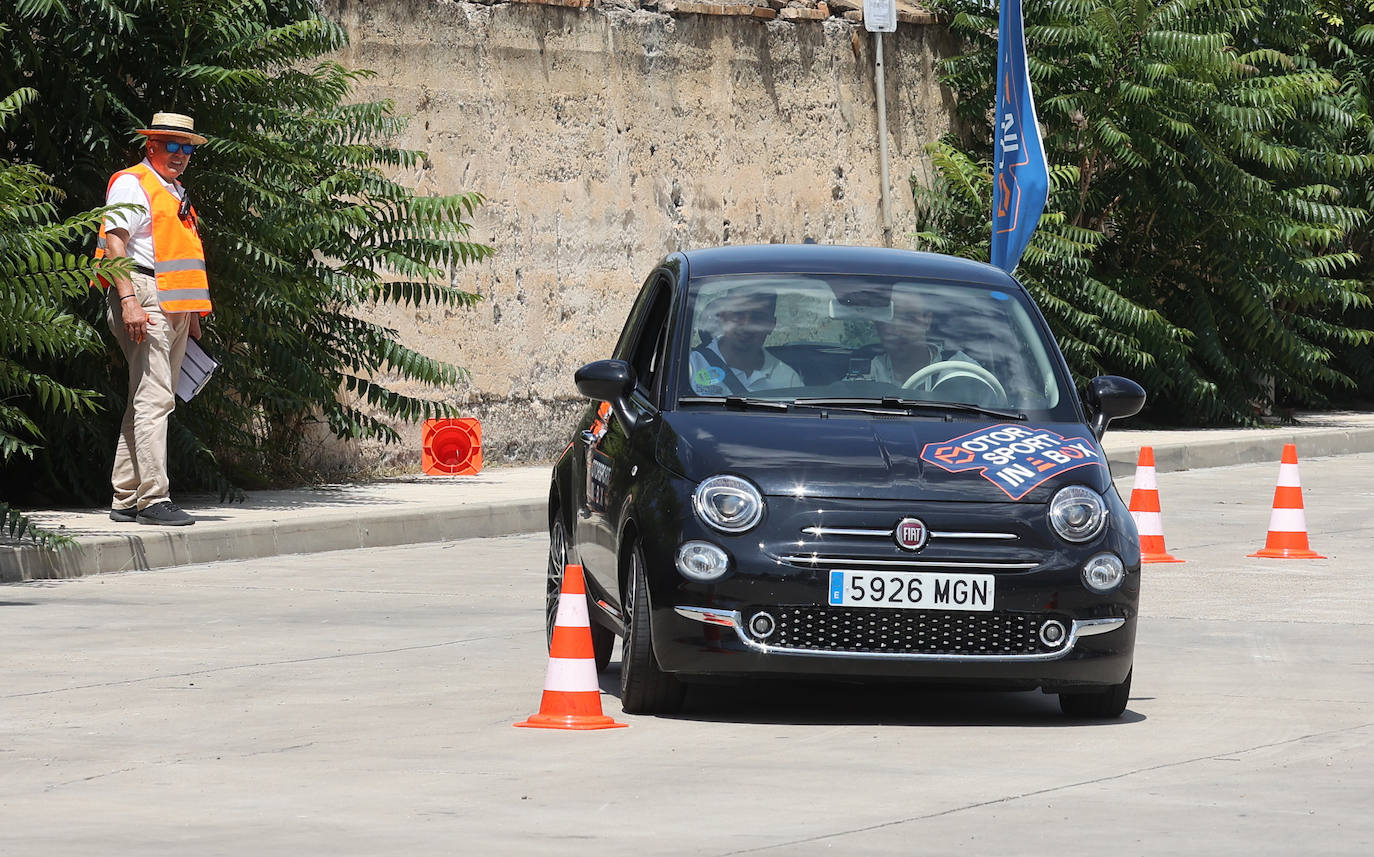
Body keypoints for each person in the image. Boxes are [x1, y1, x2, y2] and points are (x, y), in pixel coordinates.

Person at [94, 112, 212, 526]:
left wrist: (192, 313)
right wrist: (128, 300)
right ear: (151, 146)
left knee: (146, 397)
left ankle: (126, 497)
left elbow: (178, 255)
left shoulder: (172, 189)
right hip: (143, 294)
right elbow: (115, 242)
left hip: (173, 303)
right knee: (155, 398)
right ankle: (153, 499)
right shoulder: (133, 182)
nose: (180, 154)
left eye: (187, 148)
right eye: (172, 146)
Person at [689, 289, 803, 395]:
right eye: (738, 313)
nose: (746, 324)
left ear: (771, 325)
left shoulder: (788, 380)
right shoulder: (691, 366)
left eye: (757, 317)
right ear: (723, 316)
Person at [869, 286, 978, 390]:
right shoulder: (867, 372)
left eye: (909, 318)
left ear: (927, 320)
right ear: (877, 324)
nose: (898, 330)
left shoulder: (963, 371)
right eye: (888, 319)